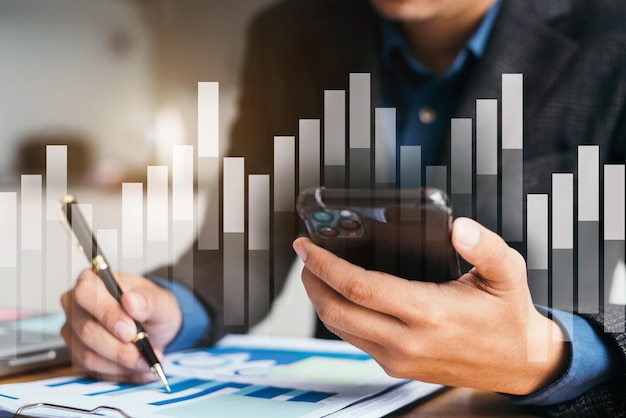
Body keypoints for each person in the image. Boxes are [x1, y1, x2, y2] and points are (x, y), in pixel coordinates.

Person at [60, 0, 626, 416]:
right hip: (341, 401)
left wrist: (549, 353)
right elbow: (240, 244)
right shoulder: (289, 35)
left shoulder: (612, 33)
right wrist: (166, 306)